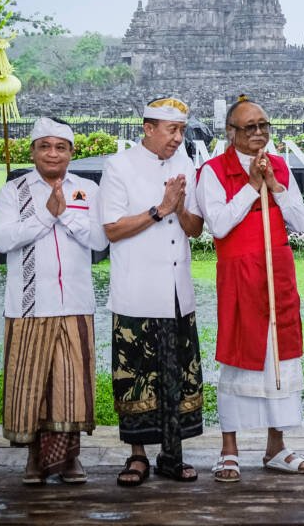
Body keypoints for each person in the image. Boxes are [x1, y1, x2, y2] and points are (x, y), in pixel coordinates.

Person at [196, 97, 304, 482]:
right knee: (238, 355)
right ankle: (229, 449)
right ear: (231, 133)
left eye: (264, 125)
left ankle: (276, 446)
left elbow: (299, 221)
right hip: (240, 274)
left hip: (276, 272)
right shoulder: (213, 171)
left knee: (279, 358)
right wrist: (250, 187)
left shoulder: (279, 165)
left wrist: (274, 185)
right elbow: (218, 225)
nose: (259, 133)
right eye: (250, 127)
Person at [0, 117, 108, 485]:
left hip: (75, 303)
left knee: (72, 385)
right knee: (31, 386)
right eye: (45, 146)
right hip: (29, 305)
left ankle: (70, 460)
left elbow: (100, 240)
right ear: (33, 151)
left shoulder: (87, 189)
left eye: (60, 147)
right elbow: (3, 240)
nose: (52, 153)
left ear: (72, 152)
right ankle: (34, 460)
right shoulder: (15, 191)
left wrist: (66, 219)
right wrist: (47, 214)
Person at [99, 97, 205, 486]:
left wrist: (178, 209)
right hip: (137, 290)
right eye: (171, 130)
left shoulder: (185, 164)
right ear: (148, 128)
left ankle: (173, 454)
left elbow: (194, 229)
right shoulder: (119, 167)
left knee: (177, 375)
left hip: (177, 290)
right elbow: (111, 228)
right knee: (137, 376)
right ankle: (138, 456)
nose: (178, 138)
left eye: (182, 130)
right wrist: (159, 209)